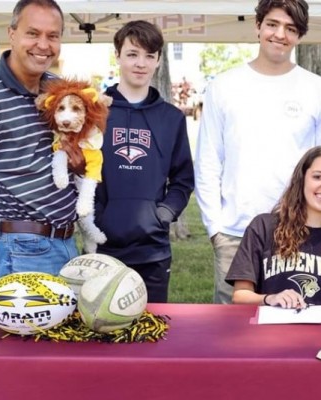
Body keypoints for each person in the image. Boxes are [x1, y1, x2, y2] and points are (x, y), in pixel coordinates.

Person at [195, 0, 321, 304]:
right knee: (232, 332)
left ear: (299, 35)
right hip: (235, 232)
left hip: (297, 232)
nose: (279, 34)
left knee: (294, 329)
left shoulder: (317, 90)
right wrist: (215, 229)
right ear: (258, 25)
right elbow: (208, 159)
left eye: (290, 28)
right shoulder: (224, 86)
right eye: (272, 24)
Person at [0, 0, 79, 283]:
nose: (43, 45)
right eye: (33, 33)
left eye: (53, 36)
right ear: (12, 34)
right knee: (24, 331)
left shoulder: (58, 89)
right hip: (17, 251)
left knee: (65, 329)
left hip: (67, 243)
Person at [93, 20, 194, 303]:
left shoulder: (171, 118)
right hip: (104, 246)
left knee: (152, 331)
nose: (141, 64)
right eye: (133, 54)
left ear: (159, 60)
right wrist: (98, 216)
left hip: (153, 250)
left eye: (150, 56)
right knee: (105, 332)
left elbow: (183, 178)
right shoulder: (97, 112)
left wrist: (162, 214)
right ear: (118, 56)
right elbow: (82, 171)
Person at [226, 146, 321, 306]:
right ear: (302, 179)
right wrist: (269, 298)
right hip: (271, 329)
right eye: (318, 177)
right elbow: (240, 296)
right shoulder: (264, 227)